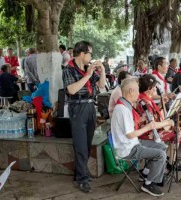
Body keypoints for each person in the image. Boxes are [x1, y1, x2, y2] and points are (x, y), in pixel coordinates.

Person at [111, 78, 174, 197]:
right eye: (137, 90)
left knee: (161, 146)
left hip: (132, 143)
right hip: (127, 148)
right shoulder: (123, 109)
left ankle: (146, 172)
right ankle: (149, 183)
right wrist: (149, 126)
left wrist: (141, 120)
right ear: (130, 91)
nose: (139, 93)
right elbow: (130, 134)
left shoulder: (124, 105)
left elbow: (128, 126)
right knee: (160, 155)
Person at [62, 40, 106, 193]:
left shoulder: (88, 69)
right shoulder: (69, 69)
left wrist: (102, 71)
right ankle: (82, 179)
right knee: (80, 145)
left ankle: (79, 173)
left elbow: (101, 86)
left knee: (86, 145)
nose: (91, 56)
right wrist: (88, 76)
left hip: (90, 107)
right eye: (90, 53)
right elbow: (72, 90)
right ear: (81, 53)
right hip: (77, 107)